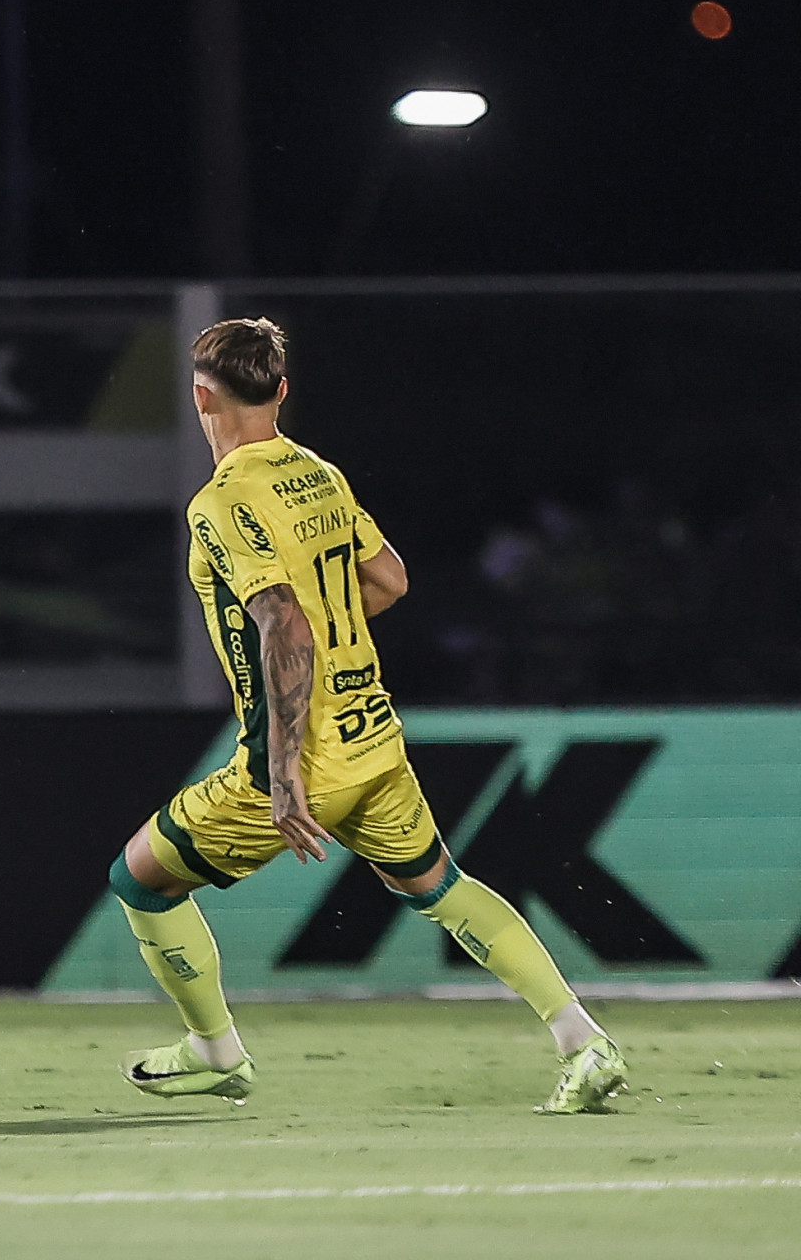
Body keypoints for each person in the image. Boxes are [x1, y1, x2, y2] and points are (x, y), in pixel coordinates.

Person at [111, 319, 625, 1115]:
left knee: (140, 880)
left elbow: (282, 621)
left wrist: (282, 777)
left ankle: (215, 1052)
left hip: (301, 759)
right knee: (443, 887)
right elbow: (387, 580)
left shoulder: (220, 501)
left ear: (201, 395)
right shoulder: (317, 474)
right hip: (372, 737)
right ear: (280, 391)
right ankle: (584, 1041)